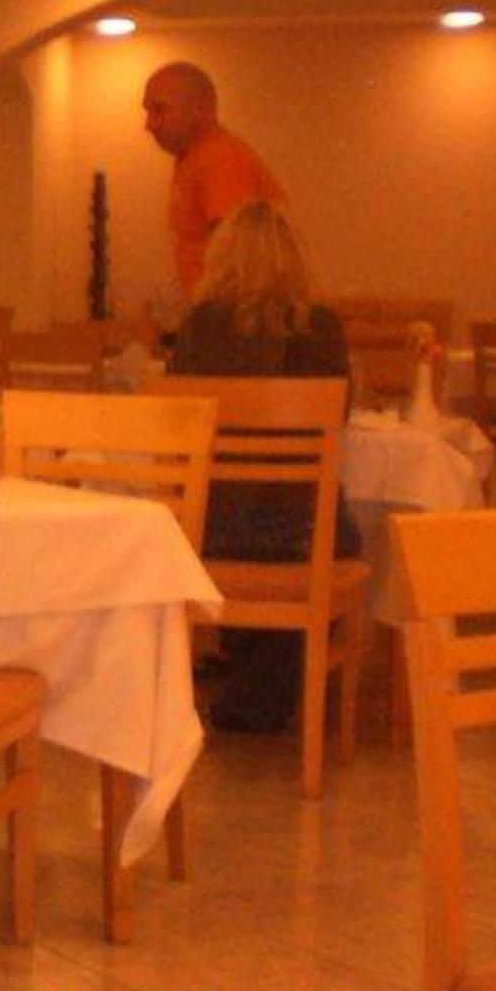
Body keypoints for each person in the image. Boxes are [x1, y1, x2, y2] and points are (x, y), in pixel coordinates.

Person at [166, 199, 359, 735]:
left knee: (250, 521)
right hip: (302, 540)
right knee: (339, 534)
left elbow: (176, 423)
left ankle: (253, 675)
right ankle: (266, 689)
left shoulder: (198, 328)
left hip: (209, 533)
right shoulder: (322, 328)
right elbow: (340, 415)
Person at [141, 60, 284, 296]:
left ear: (201, 108)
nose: (149, 125)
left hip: (233, 311)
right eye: (148, 111)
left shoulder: (220, 159)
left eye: (160, 110)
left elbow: (236, 263)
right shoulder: (194, 158)